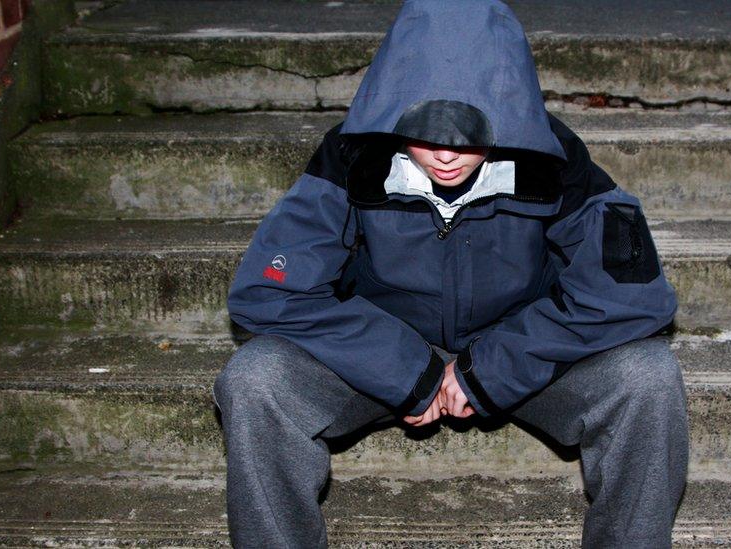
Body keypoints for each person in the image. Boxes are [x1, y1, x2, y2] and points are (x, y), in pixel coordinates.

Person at [211, 0, 689, 547]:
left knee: (649, 377)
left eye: (466, 137)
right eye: (426, 134)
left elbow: (633, 296)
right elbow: (267, 291)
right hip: (375, 353)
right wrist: (406, 369)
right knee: (255, 379)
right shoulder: (354, 156)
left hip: (519, 350)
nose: (445, 156)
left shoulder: (552, 158)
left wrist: (488, 371)